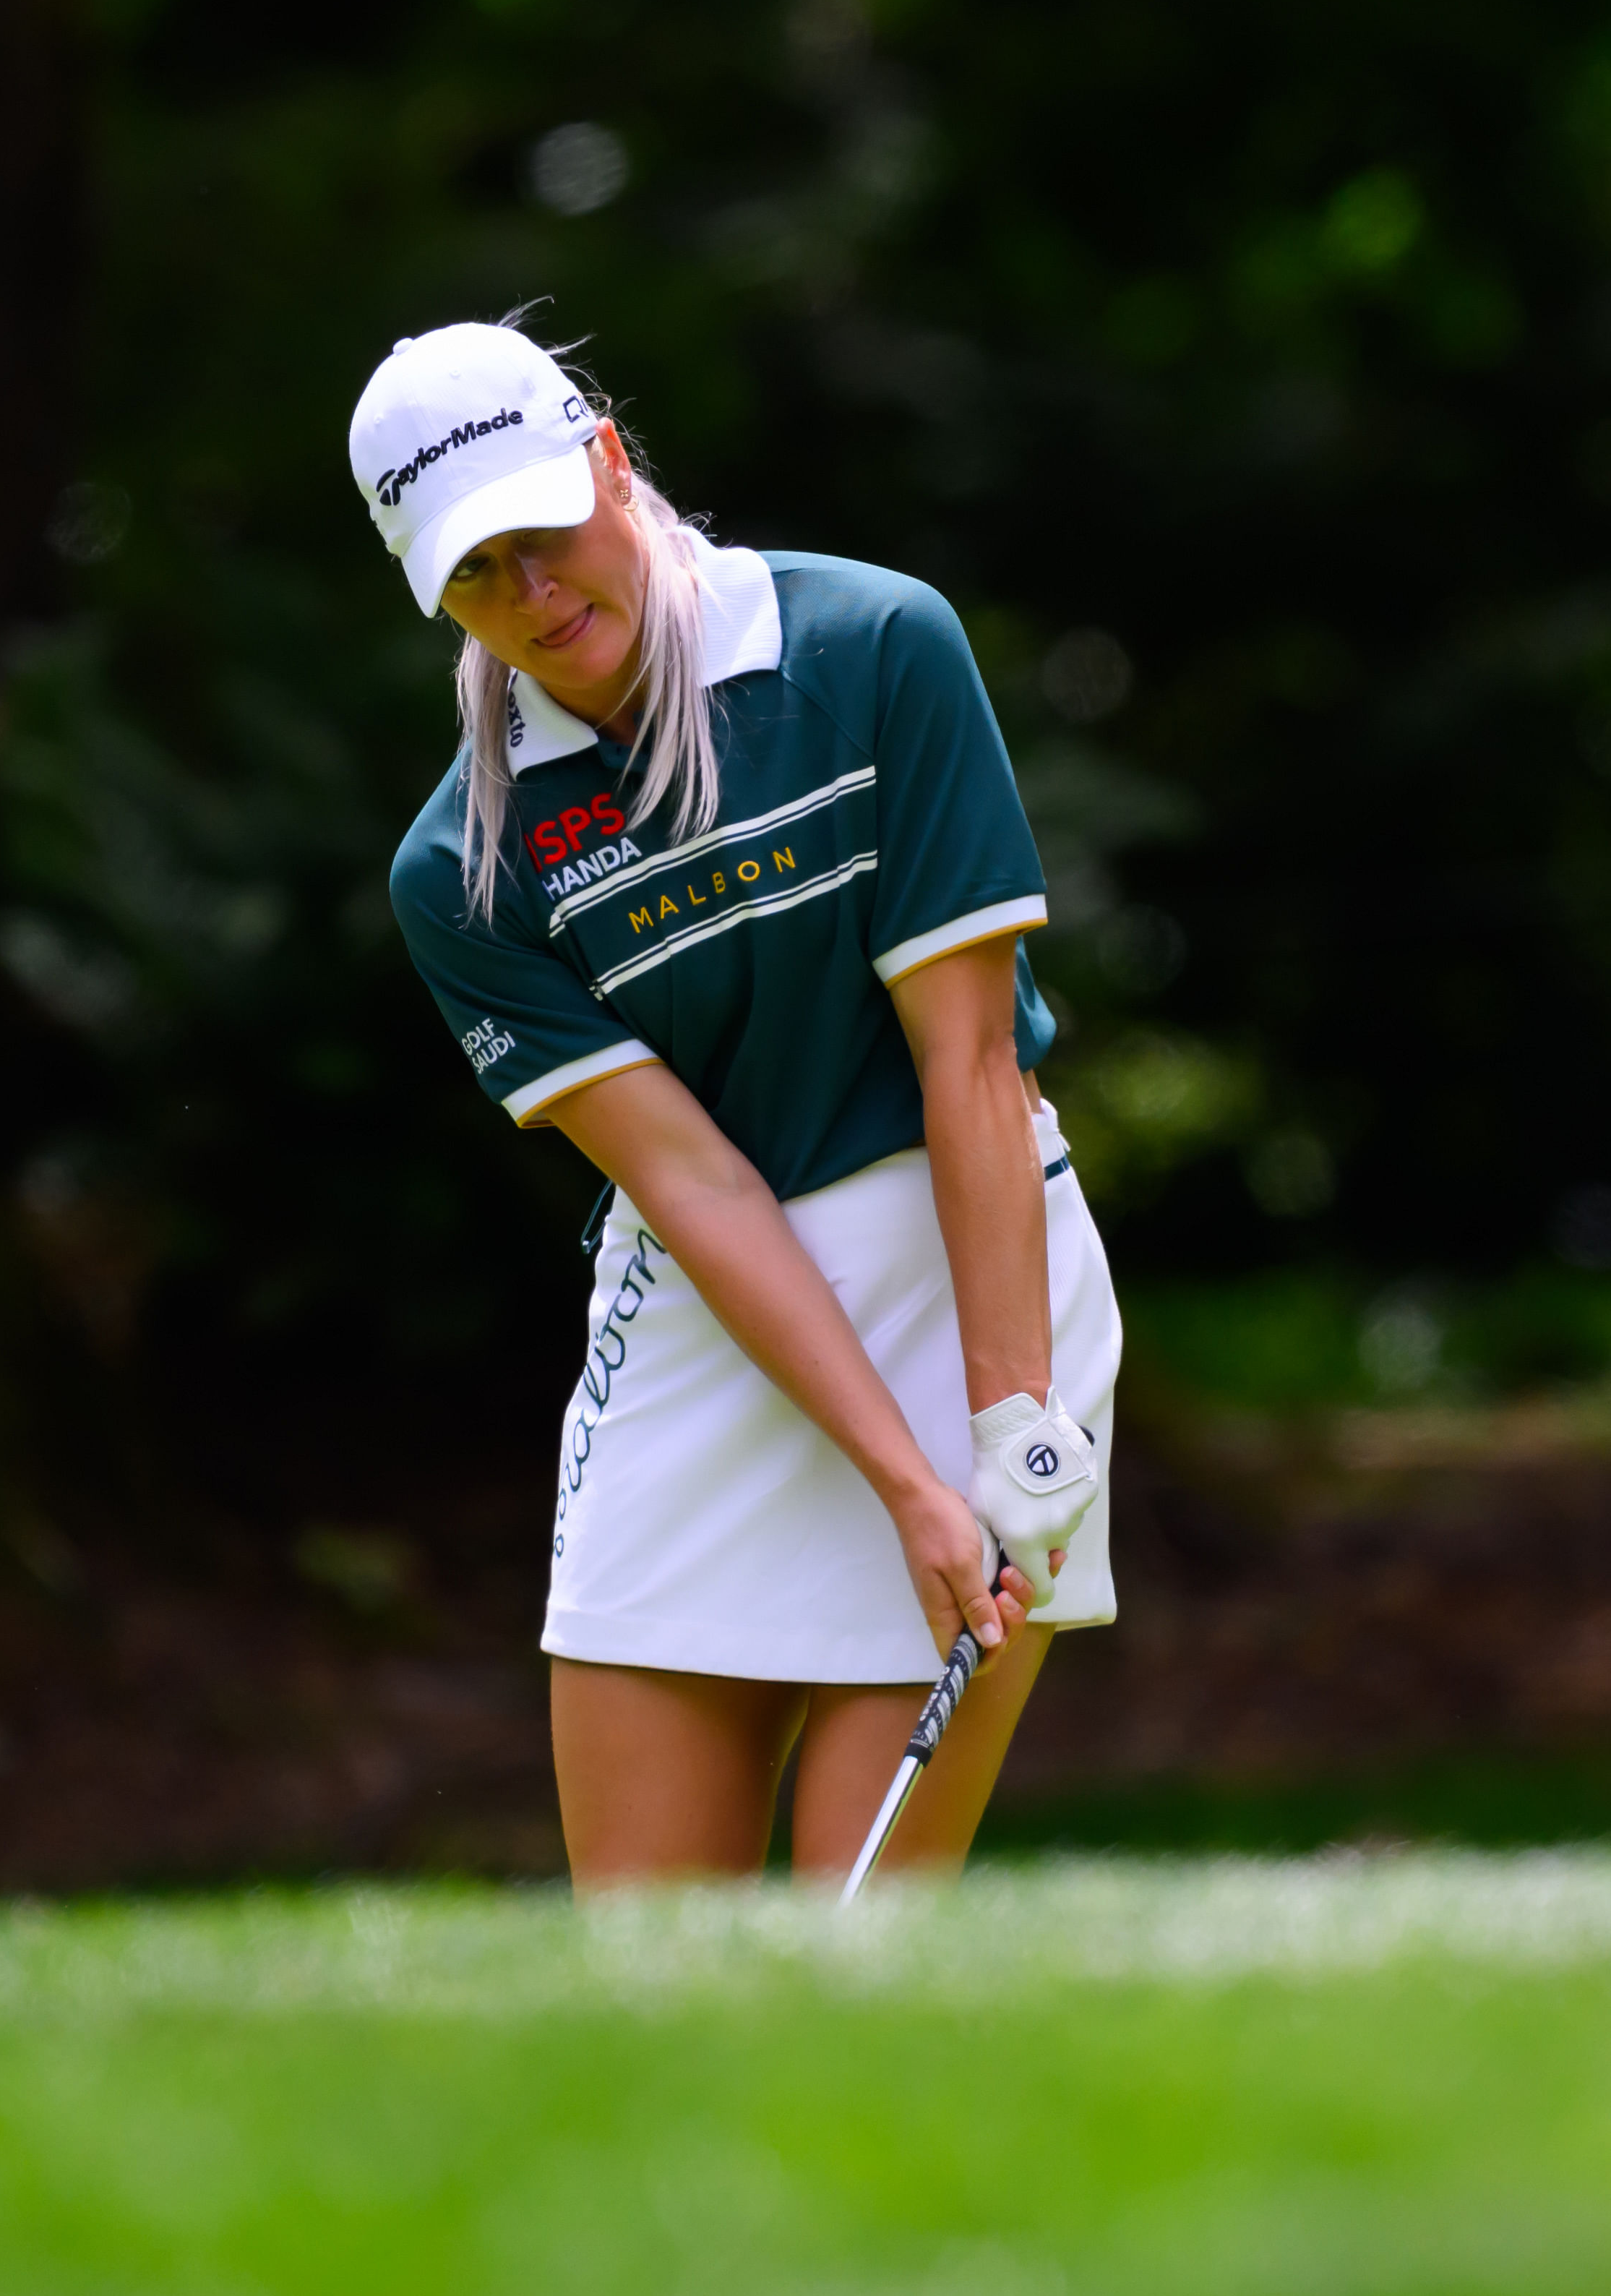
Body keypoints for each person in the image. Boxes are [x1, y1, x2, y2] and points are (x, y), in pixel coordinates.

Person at [360, 318, 1119, 1888]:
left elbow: (968, 1066)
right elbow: (695, 1188)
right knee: (657, 1984)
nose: (533, 593)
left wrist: (1003, 1436)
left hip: (975, 1297)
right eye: (476, 574)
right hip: (714, 1326)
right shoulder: (465, 869)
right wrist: (900, 1484)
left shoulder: (872, 648)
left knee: (859, 1964)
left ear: (610, 460)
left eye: (541, 529)